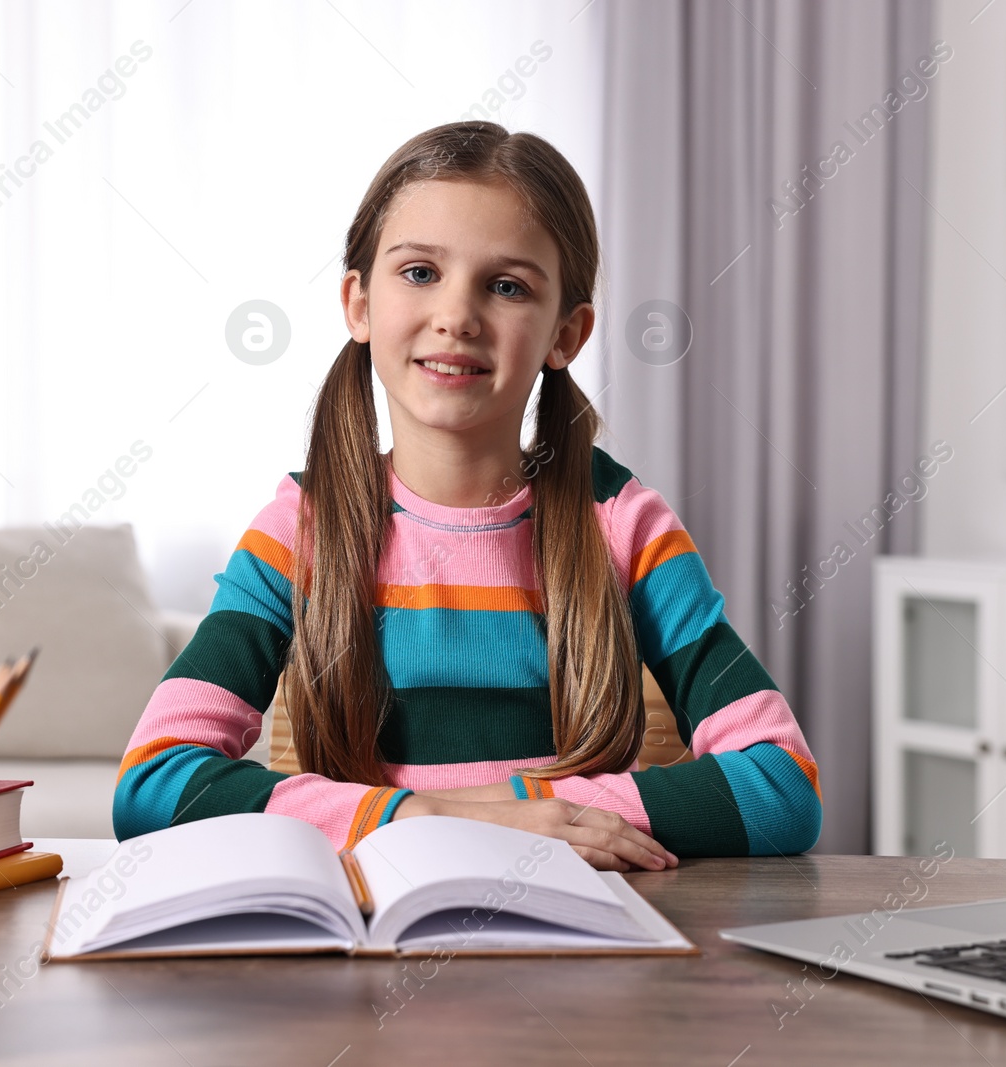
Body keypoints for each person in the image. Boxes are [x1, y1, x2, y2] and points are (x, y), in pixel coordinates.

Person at [114, 120, 821, 871]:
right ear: (358, 302)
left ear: (566, 334)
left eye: (507, 286)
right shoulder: (300, 527)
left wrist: (554, 818)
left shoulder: (623, 524)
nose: (456, 315)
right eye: (420, 272)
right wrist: (430, 817)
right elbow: (153, 781)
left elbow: (782, 784)